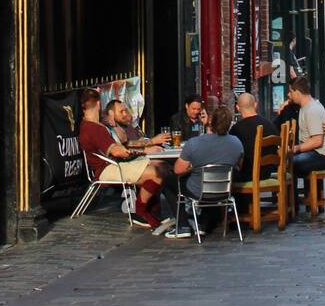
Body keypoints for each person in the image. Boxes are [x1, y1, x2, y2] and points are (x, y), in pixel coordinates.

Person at [76, 88, 164, 229]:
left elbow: (122, 143)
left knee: (161, 165)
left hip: (113, 164)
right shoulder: (94, 128)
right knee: (157, 172)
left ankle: (151, 208)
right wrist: (142, 152)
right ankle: (140, 212)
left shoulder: (91, 125)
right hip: (107, 168)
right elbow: (118, 152)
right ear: (99, 104)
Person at [165, 105, 244, 239]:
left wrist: (192, 168)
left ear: (210, 122)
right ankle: (203, 223)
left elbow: (178, 170)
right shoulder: (236, 142)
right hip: (224, 189)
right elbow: (238, 166)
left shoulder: (194, 143)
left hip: (198, 189)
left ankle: (182, 225)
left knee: (169, 181)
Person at [287, 76, 325, 214]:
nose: (289, 95)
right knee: (288, 161)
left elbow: (317, 141)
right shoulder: (305, 107)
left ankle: (292, 205)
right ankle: (292, 202)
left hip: (320, 156)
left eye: (290, 92)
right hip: (314, 153)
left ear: (298, 92)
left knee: (290, 162)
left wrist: (297, 148)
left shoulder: (312, 110)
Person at [230, 92, 276, 179]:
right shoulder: (269, 124)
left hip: (248, 175)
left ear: (237, 108)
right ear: (255, 105)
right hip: (268, 173)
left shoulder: (236, 129)